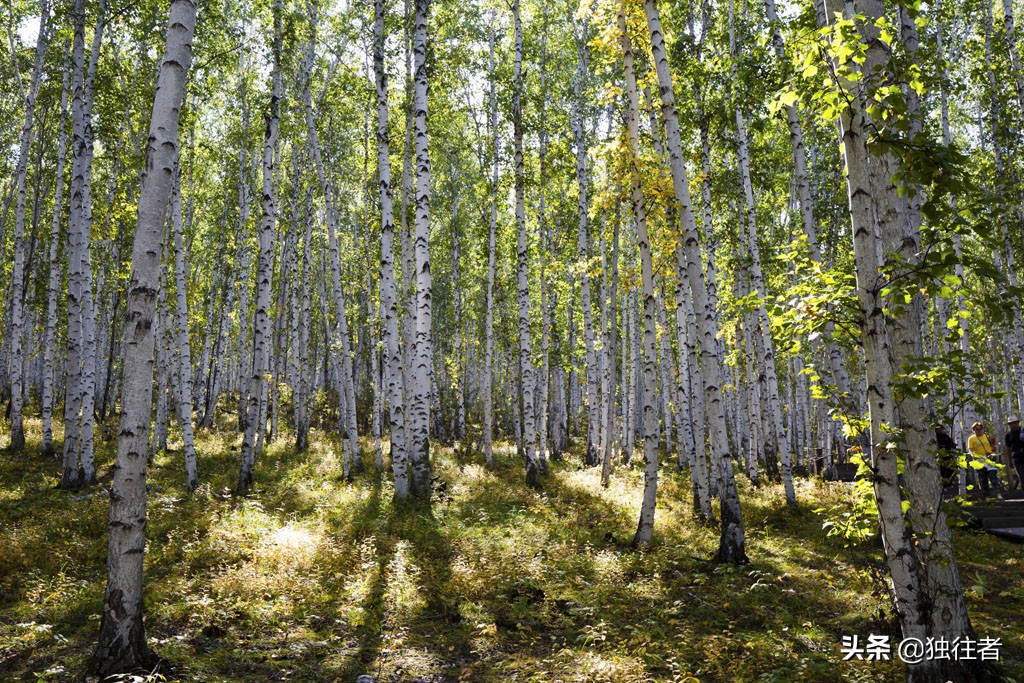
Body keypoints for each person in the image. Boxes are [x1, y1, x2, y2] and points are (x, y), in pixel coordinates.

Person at [967, 421, 1003, 500]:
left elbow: (991, 445)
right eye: (976, 429)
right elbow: (970, 449)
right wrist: (974, 456)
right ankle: (986, 495)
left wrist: (992, 451)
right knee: (982, 478)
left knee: (993, 476)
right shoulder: (971, 439)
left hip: (989, 458)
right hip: (979, 459)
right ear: (974, 430)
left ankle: (998, 493)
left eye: (980, 429)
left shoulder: (986, 436)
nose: (979, 430)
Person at [1006, 416, 1024, 491]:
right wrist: (1010, 461)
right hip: (1016, 457)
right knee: (1022, 476)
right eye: (1011, 424)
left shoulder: (1023, 431)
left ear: (1017, 423)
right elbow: (1008, 449)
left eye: (1014, 423)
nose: (1013, 425)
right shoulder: (1008, 435)